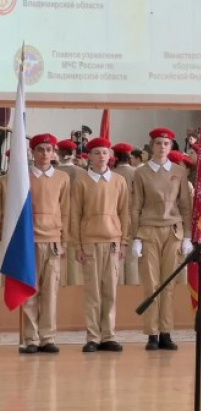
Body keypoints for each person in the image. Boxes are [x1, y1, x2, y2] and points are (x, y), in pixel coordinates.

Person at [131, 127, 193, 351]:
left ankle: (166, 331)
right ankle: (152, 333)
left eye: (166, 144)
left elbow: (185, 205)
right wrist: (135, 236)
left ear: (171, 146)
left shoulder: (179, 171)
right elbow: (135, 206)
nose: (162, 147)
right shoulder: (141, 172)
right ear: (151, 146)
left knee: (169, 284)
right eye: (158, 143)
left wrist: (187, 236)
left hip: (173, 231)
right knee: (151, 284)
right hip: (148, 231)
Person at [69, 137, 129, 353]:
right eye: (97, 153)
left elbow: (124, 212)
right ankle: (93, 336)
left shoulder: (119, 181)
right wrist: (77, 245)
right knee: (92, 291)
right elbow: (75, 214)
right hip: (89, 241)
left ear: (109, 156)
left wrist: (124, 241)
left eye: (104, 152)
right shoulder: (81, 180)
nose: (101, 156)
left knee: (110, 291)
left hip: (112, 241)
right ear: (90, 157)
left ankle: (109, 335)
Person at [20, 134, 70, 354]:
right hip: (29, 240)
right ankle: (31, 338)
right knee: (30, 290)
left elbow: (66, 210)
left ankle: (47, 337)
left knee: (50, 292)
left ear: (54, 152)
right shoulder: (24, 177)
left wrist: (64, 240)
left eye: (49, 149)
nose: (44, 153)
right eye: (40, 149)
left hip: (52, 240)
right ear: (32, 152)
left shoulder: (62, 178)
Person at [55, 139, 82, 289]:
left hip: (56, 219)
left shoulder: (53, 172)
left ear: (58, 153)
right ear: (73, 153)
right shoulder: (83, 173)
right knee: (74, 261)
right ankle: (73, 290)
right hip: (77, 219)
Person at [112, 142, 139, 287]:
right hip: (135, 218)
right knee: (133, 258)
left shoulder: (111, 174)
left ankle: (119, 290)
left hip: (115, 218)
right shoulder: (137, 173)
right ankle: (133, 292)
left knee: (117, 258)